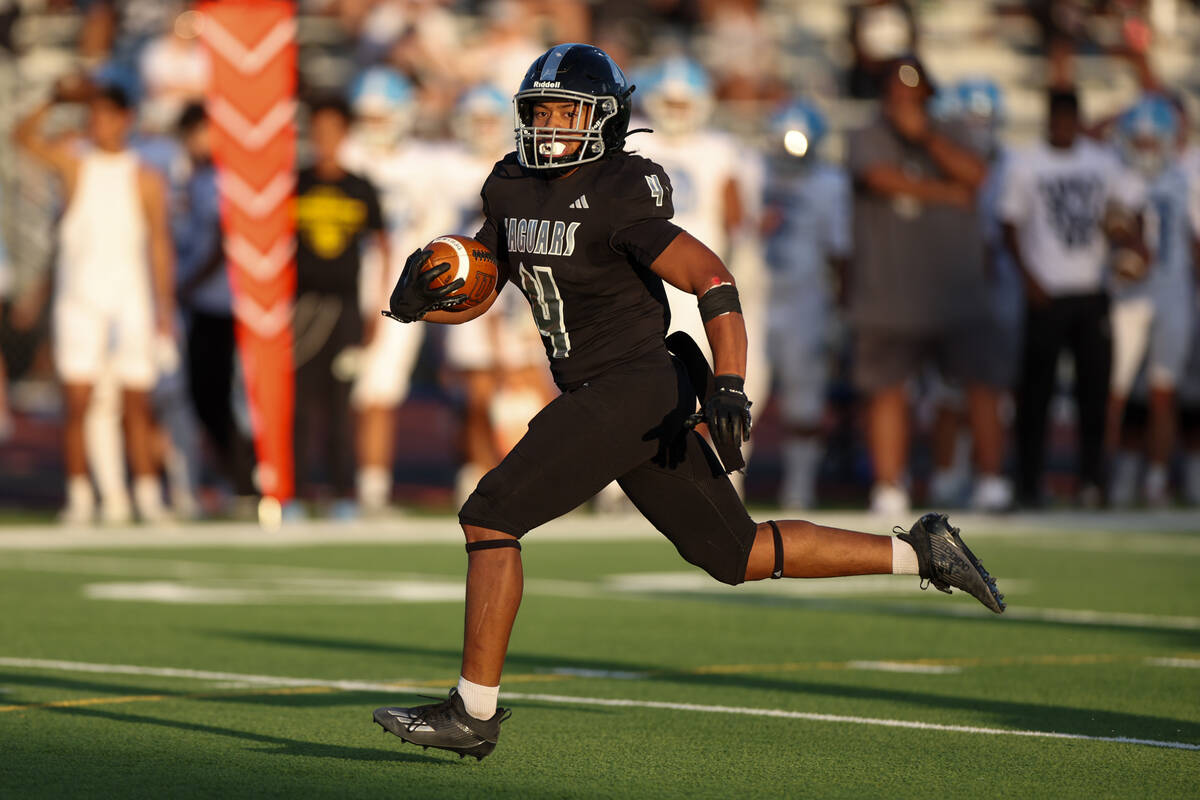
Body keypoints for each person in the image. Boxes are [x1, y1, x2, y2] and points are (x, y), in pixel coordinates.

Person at [368, 44, 1005, 761]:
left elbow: (711, 276)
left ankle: (472, 712)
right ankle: (919, 553)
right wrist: (424, 302)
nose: (548, 126)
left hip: (636, 384)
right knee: (736, 553)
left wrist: (729, 384)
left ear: (604, 121)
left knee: (490, 515)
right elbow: (487, 284)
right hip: (620, 394)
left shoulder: (618, 189)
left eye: (564, 113)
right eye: (539, 112)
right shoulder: (511, 186)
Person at [847, 57, 1009, 515]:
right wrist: (945, 193)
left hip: (954, 289)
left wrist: (927, 138)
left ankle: (991, 480)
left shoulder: (952, 132)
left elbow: (976, 176)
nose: (904, 103)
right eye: (896, 94)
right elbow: (879, 177)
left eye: (913, 95)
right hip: (890, 291)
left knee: (981, 385)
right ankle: (889, 486)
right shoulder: (866, 135)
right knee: (887, 389)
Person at [14, 82, 175, 524]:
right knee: (80, 402)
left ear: (127, 120)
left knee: (135, 403)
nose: (99, 124)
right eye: (94, 116)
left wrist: (164, 309)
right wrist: (56, 98)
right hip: (79, 299)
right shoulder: (73, 163)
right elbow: (21, 138)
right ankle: (83, 497)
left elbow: (160, 245)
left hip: (130, 298)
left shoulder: (145, 178)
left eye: (107, 115)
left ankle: (145, 495)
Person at [1001, 88, 1146, 507]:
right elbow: (1009, 226)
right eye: (1057, 119)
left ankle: (1092, 481)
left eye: (1070, 119)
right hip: (1046, 293)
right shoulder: (1026, 162)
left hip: (1091, 289)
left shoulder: (1101, 161)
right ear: (1048, 120)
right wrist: (1028, 279)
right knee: (1035, 395)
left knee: (1094, 395)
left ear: (1077, 120)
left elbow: (1130, 211)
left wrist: (1127, 238)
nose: (1063, 127)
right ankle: (1029, 482)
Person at [340, 67, 453, 514]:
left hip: (402, 292)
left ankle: (371, 488)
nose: (374, 125)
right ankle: (335, 483)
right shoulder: (345, 155)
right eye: (368, 116)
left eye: (382, 115)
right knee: (339, 393)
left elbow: (433, 232)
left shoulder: (425, 164)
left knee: (381, 393)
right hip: (344, 287)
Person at [292, 97, 387, 517]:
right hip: (301, 310)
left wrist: (379, 311)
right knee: (299, 406)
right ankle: (293, 493)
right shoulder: (294, 183)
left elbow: (384, 249)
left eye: (333, 130)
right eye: (319, 130)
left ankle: (342, 494)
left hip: (346, 309)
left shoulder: (360, 186)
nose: (326, 140)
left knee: (340, 405)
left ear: (345, 135)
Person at [1104, 95, 1196, 506]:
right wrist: (1128, 243)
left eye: (1150, 141)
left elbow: (1194, 242)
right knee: (1116, 388)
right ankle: (1103, 474)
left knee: (1164, 390)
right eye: (1137, 142)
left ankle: (1156, 478)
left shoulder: (1184, 176)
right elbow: (1114, 225)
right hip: (1128, 294)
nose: (1144, 149)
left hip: (1174, 292)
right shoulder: (1118, 177)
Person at [760, 99, 850, 509]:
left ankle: (799, 490)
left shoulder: (830, 183)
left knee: (804, 400)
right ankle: (729, 487)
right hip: (754, 296)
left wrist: (839, 309)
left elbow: (839, 254)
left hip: (805, 302)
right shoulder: (752, 170)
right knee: (737, 393)